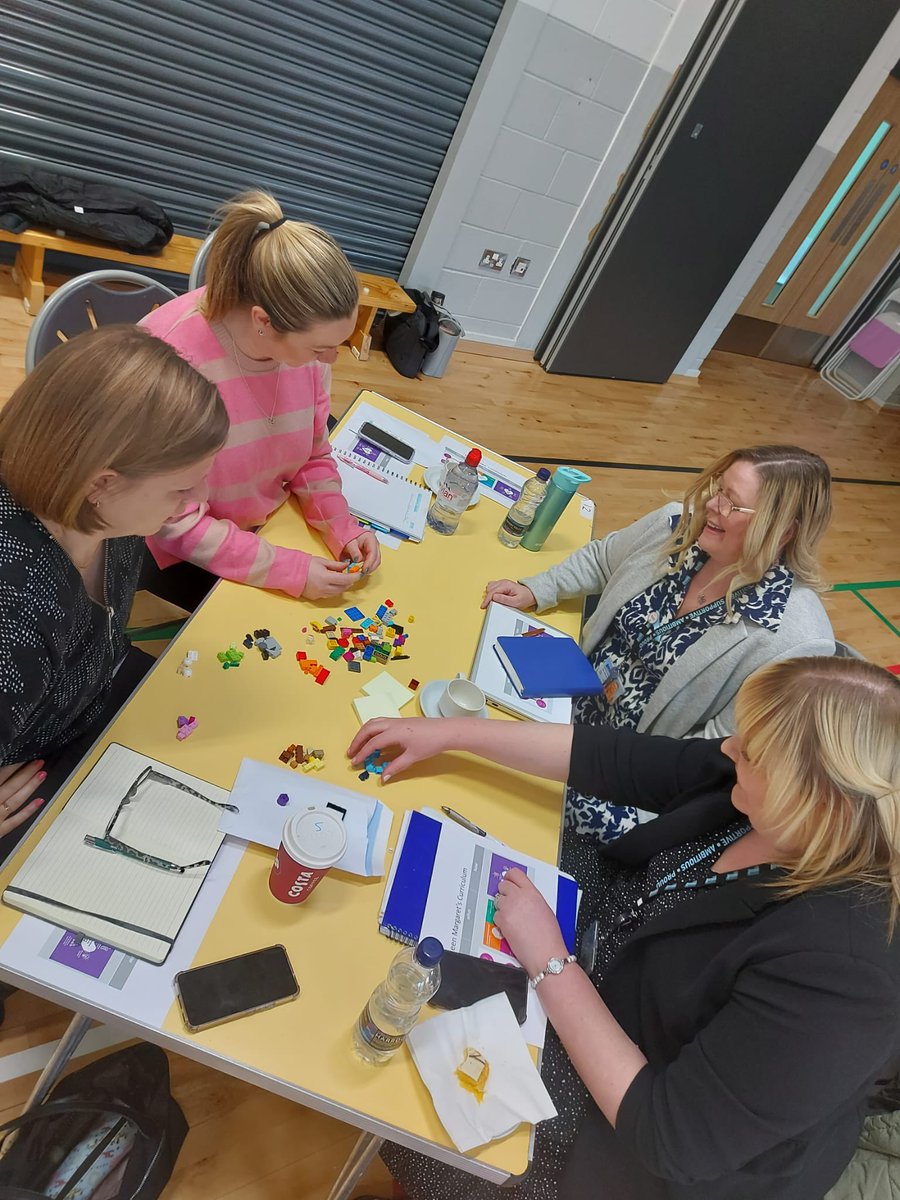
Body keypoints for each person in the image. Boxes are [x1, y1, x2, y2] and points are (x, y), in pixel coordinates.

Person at [347, 655, 900, 1200]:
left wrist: (550, 960)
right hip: (605, 955)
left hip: (622, 1140)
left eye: (751, 752)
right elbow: (615, 758)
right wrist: (452, 734)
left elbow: (668, 1135)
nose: (730, 750)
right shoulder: (767, 796)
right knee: (408, 961)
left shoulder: (845, 972)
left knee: (425, 1086)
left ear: (815, 805)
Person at [483, 445, 834, 842]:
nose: (713, 505)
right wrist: (537, 588)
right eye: (718, 489)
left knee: (497, 795)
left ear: (783, 529)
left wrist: (586, 759)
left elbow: (710, 757)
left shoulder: (796, 643)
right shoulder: (679, 526)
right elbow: (603, 560)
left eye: (732, 504)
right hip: (558, 695)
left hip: (622, 778)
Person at [0, 325, 228, 860]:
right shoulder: (14, 616)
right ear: (102, 484)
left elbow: (104, 629)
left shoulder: (110, 524)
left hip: (88, 708)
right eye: (181, 487)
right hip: (38, 777)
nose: (198, 499)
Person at [140, 189, 380, 609]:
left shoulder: (307, 353)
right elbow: (170, 523)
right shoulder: (171, 366)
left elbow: (311, 454)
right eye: (319, 348)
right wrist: (287, 570)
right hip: (178, 551)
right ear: (263, 321)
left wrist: (342, 525)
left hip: (265, 529)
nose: (331, 360)